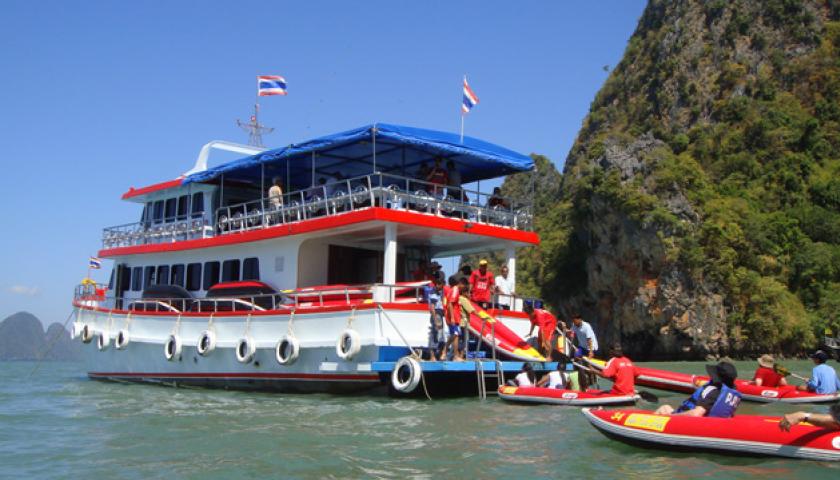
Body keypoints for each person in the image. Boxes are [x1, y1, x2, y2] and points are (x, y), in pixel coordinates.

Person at [654, 362, 742, 418]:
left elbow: (696, 414)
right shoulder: (730, 392)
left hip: (693, 424)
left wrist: (672, 416)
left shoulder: (713, 390)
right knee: (666, 407)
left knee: (663, 409)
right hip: (713, 422)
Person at [424, 278, 447, 361]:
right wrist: (436, 319)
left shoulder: (438, 293)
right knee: (435, 335)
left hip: (439, 314)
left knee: (440, 336)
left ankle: (439, 355)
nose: (442, 287)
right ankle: (432, 356)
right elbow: (432, 308)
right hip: (437, 315)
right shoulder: (433, 293)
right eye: (441, 286)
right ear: (438, 284)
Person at [441, 277, 462, 361]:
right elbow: (450, 304)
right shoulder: (455, 290)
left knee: (455, 335)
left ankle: (455, 355)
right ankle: (445, 351)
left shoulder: (450, 290)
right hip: (453, 317)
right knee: (455, 335)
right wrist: (452, 317)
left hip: (451, 316)